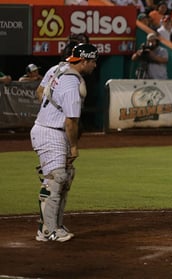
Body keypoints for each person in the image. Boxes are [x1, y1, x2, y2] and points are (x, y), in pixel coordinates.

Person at [31, 43, 99, 242]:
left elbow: (40, 91)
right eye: (93, 61)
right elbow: (71, 122)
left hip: (50, 129)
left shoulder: (57, 68)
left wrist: (50, 110)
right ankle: (46, 231)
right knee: (56, 178)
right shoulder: (71, 85)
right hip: (51, 133)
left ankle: (56, 225)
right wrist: (74, 147)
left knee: (66, 177)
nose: (95, 65)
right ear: (84, 61)